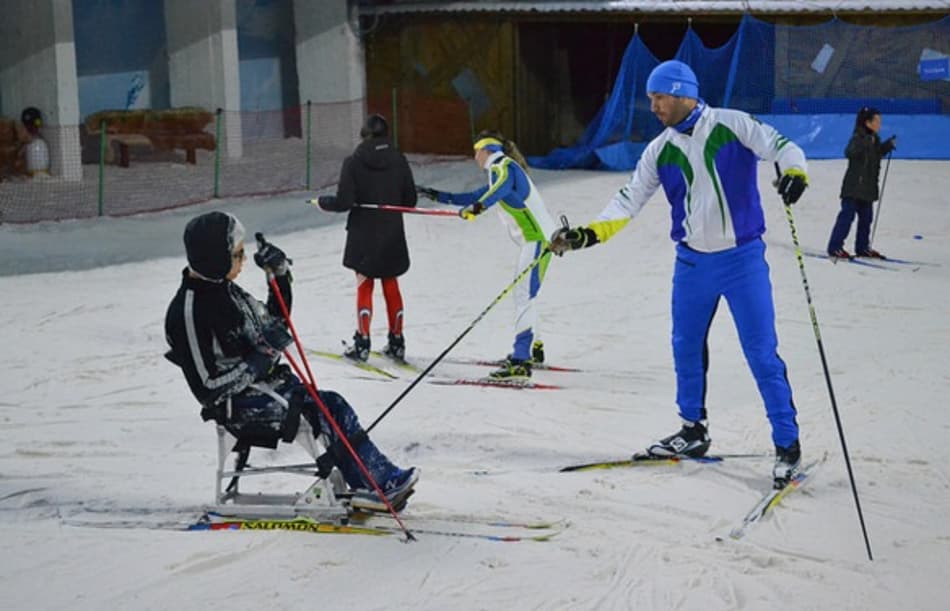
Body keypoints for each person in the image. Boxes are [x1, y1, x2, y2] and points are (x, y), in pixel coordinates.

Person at [550, 60, 809, 486]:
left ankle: (787, 444)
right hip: (691, 263)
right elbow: (627, 200)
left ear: (684, 93)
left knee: (761, 353)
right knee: (685, 346)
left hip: (741, 260)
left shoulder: (731, 124)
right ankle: (693, 430)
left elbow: (784, 148)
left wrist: (796, 174)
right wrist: (585, 235)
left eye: (660, 97)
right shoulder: (659, 149)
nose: (653, 106)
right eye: (650, 98)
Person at [164, 211, 418, 508]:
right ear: (214, 257)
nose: (243, 261)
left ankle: (373, 480)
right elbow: (208, 388)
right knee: (324, 407)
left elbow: (274, 324)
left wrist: (279, 276)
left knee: (330, 404)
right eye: (237, 254)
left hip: (265, 388)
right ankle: (375, 482)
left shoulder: (225, 291)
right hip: (237, 407)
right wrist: (261, 358)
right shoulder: (188, 311)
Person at [417, 131, 557, 379]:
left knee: (523, 295)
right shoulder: (505, 169)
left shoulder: (501, 166)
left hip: (537, 241)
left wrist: (478, 208)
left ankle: (520, 362)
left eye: (476, 152)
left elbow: (498, 190)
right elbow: (477, 196)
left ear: (486, 151)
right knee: (528, 295)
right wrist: (439, 195)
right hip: (542, 240)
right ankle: (534, 350)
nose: (475, 158)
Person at [317, 114, 417, 362]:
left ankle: (362, 342)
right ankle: (397, 340)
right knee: (390, 282)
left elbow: (344, 202)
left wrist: (323, 203)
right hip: (392, 231)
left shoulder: (353, 161)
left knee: (365, 283)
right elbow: (410, 200)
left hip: (363, 232)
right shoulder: (399, 159)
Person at [826, 106, 896, 259]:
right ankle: (835, 247)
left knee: (866, 220)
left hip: (867, 188)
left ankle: (862, 247)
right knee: (847, 217)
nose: (879, 124)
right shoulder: (859, 137)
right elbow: (850, 152)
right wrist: (865, 142)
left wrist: (886, 146)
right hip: (854, 188)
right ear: (867, 122)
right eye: (877, 121)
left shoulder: (874, 139)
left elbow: (875, 155)